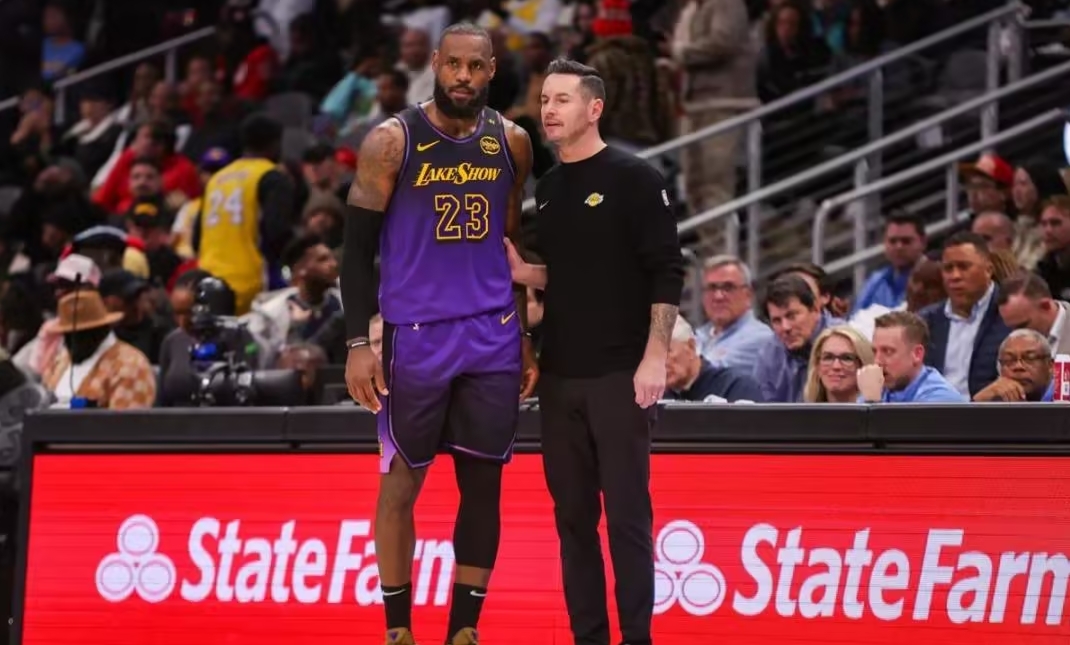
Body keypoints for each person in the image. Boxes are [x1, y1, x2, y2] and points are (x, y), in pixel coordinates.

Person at [339, 22, 538, 645]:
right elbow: (355, 253)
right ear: (434, 63)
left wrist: (523, 331)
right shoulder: (391, 141)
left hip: (492, 332)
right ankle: (398, 630)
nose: (463, 77)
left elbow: (511, 244)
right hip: (416, 335)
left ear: (492, 70)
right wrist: (357, 343)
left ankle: (464, 630)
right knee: (401, 484)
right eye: (453, 64)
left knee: (484, 483)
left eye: (476, 66)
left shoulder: (512, 141)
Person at [507, 58, 685, 645]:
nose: (548, 110)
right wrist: (528, 274)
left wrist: (654, 357)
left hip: (619, 373)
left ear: (594, 108)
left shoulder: (636, 177)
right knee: (573, 523)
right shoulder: (551, 189)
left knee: (628, 519)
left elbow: (666, 271)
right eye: (544, 100)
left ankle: (637, 637)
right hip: (561, 376)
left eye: (562, 100)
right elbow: (575, 274)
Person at [194, 114, 295, 315]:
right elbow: (277, 232)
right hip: (253, 285)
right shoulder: (272, 176)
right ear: (275, 143)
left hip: (208, 282)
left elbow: (196, 238)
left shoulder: (217, 179)